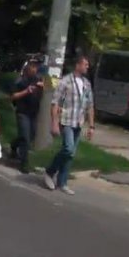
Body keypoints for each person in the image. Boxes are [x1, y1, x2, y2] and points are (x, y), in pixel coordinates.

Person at [44, 56, 95, 195]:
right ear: (77, 65)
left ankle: (62, 182)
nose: (87, 67)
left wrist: (91, 126)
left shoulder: (86, 83)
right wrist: (54, 123)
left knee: (71, 153)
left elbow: (90, 106)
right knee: (68, 148)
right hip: (66, 120)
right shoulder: (65, 81)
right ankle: (49, 172)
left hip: (78, 122)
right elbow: (55, 103)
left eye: (87, 65)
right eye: (85, 64)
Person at [10, 59, 44, 173]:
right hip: (22, 112)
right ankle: (24, 163)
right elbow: (13, 96)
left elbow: (51, 87)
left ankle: (14, 145)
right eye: (32, 66)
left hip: (34, 113)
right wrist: (26, 91)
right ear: (27, 68)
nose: (34, 69)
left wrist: (44, 86)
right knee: (25, 138)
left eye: (36, 66)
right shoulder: (20, 81)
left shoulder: (39, 79)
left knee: (31, 136)